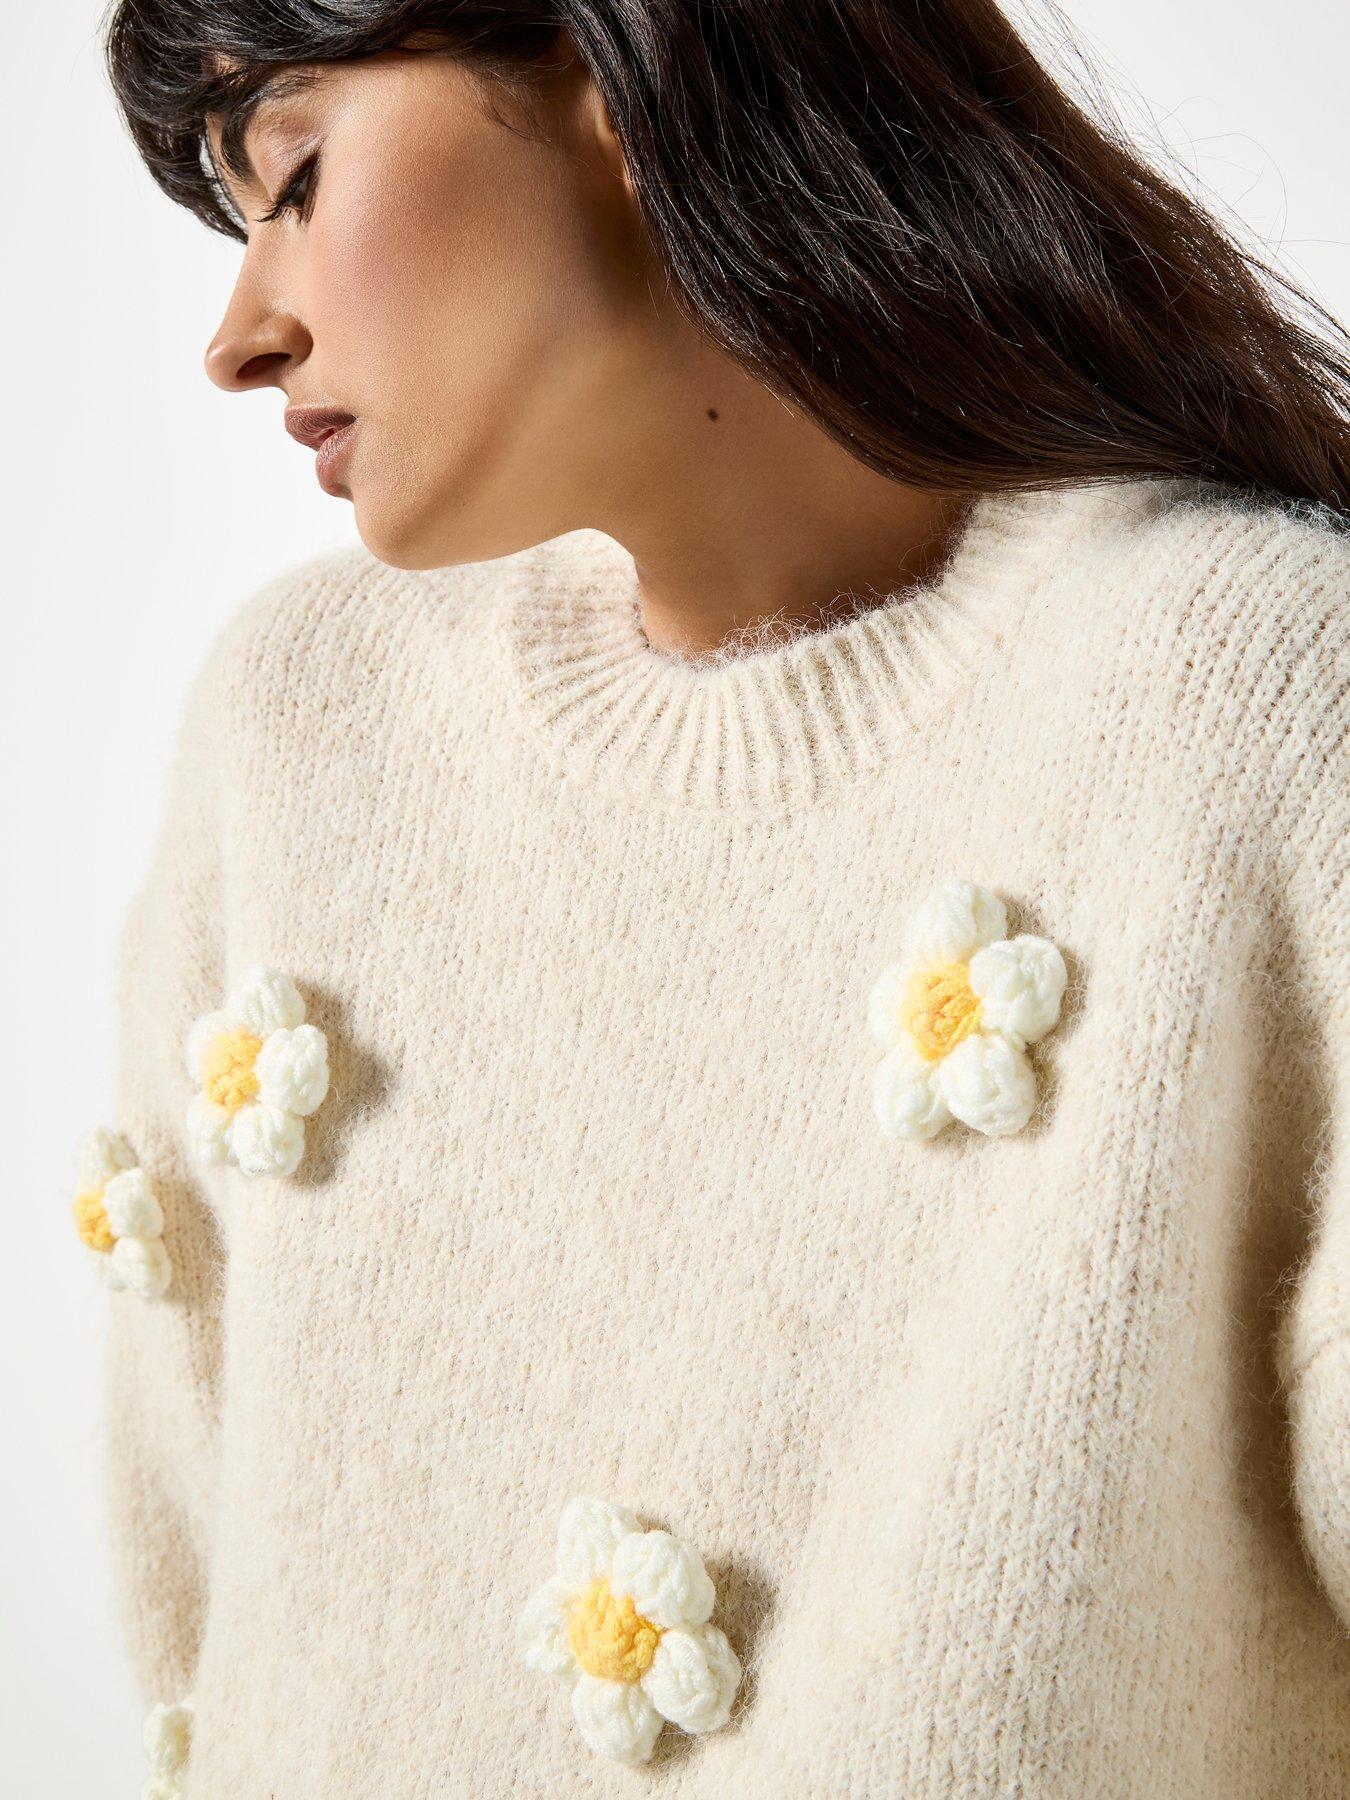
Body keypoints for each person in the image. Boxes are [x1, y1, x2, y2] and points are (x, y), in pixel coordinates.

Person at [90, 2, 1349, 1794]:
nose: (239, 336)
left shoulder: (1252, 702)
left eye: (291, 177)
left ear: (618, 75)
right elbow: (196, 1612)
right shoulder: (302, 732)